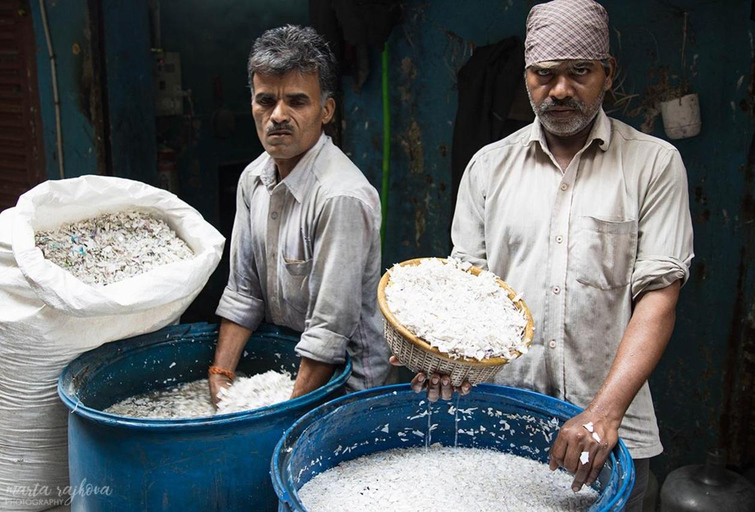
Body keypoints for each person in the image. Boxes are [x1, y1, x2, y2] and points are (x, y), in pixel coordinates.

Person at [401, 1, 694, 509]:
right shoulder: (488, 168)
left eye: (579, 72)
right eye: (544, 74)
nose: (560, 90)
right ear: (527, 76)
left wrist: (603, 413)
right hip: (503, 419)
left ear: (608, 73)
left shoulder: (654, 164)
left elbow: (658, 300)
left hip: (612, 430)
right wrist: (437, 357)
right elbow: (468, 295)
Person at [209, 25, 392, 405]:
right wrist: (220, 380)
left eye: (296, 101)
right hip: (293, 367)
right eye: (265, 101)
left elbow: (329, 332)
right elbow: (244, 293)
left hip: (349, 387)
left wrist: (278, 414)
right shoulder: (253, 179)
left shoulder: (340, 196)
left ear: (325, 110)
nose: (278, 116)